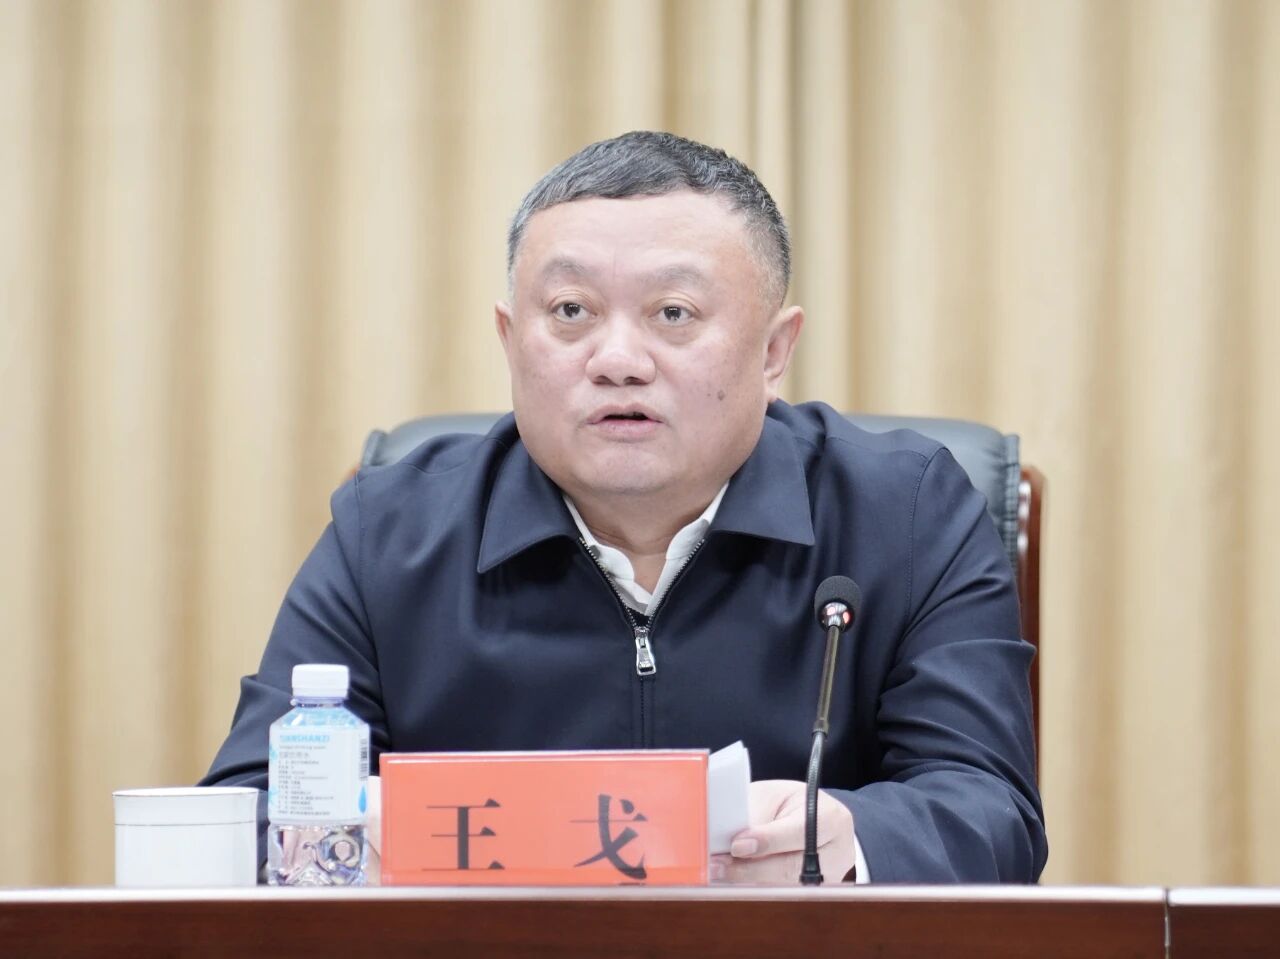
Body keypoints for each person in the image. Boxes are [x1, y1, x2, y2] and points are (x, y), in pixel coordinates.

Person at [202, 131, 1047, 883]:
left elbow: (991, 812)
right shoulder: (388, 533)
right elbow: (248, 813)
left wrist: (853, 836)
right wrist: (360, 838)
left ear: (774, 351)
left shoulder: (907, 515)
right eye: (570, 312)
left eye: (673, 314)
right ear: (510, 340)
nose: (617, 359)